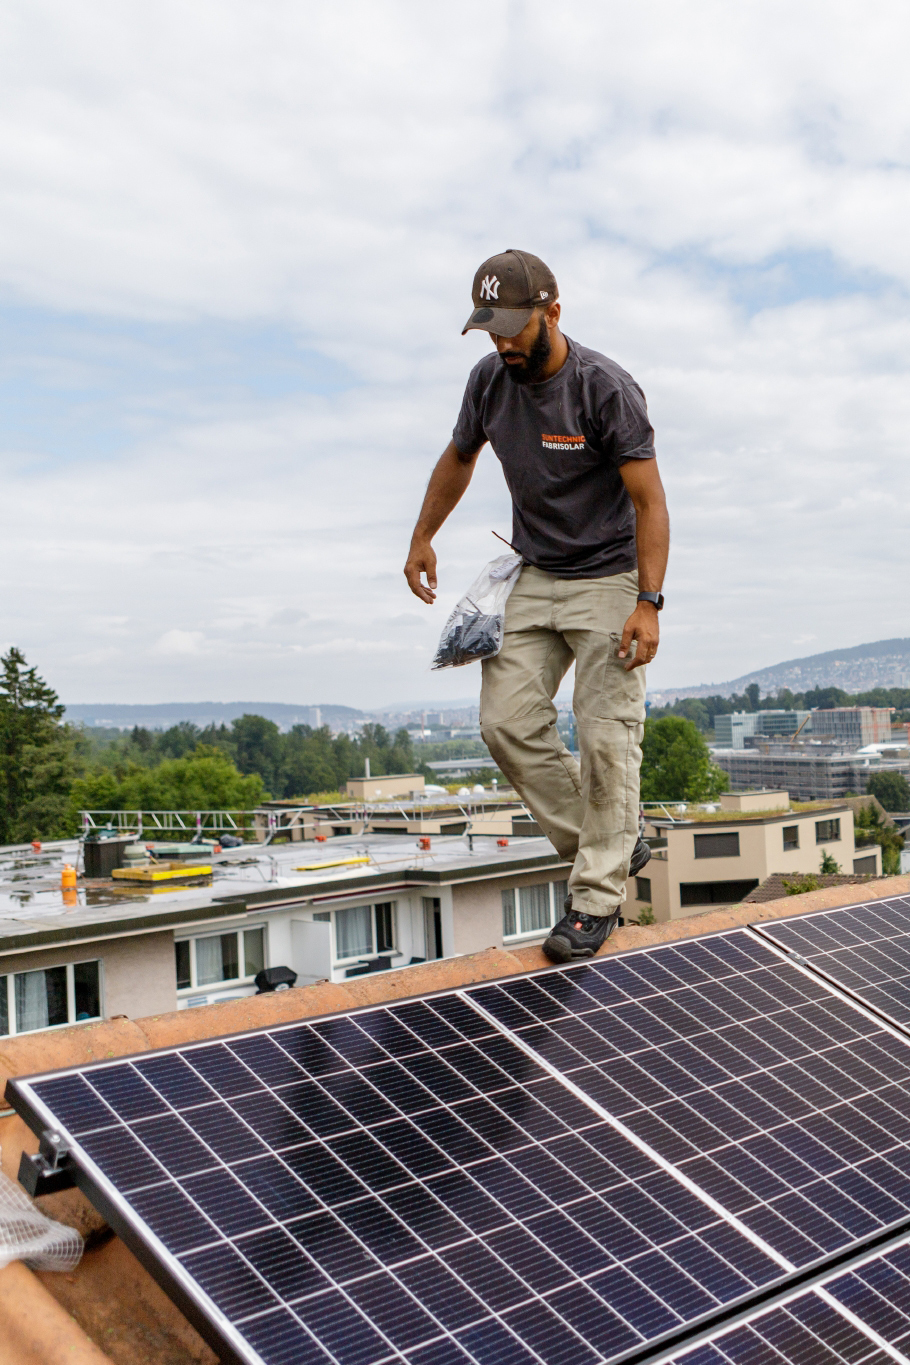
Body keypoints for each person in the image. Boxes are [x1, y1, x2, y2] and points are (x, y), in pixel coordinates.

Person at [404, 249, 669, 962]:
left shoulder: (604, 388)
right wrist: (423, 535)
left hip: (609, 577)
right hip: (535, 573)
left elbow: (649, 500)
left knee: (605, 731)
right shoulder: (489, 380)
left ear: (553, 312)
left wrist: (648, 602)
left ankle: (595, 898)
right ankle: (609, 840)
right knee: (504, 722)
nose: (503, 344)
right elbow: (460, 456)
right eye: (491, 330)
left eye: (515, 328)